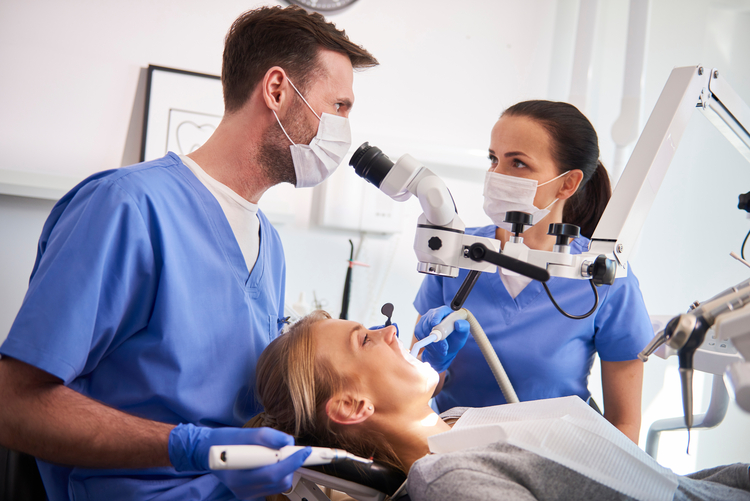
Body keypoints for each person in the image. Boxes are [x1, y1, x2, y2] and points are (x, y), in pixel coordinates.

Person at [0, 6, 377, 500]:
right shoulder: (127, 208)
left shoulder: (270, 244)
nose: (344, 130)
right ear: (278, 90)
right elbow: (13, 404)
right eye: (340, 107)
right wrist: (191, 448)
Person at [253, 311, 750, 501]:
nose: (391, 330)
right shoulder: (447, 480)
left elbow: (668, 487)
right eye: (366, 339)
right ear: (352, 405)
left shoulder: (457, 425)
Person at [411, 100, 653, 443]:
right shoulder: (455, 255)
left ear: (567, 184)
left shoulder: (602, 278)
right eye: (494, 159)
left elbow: (625, 425)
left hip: (554, 463)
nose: (496, 176)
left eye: (518, 163)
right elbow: (410, 396)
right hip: (450, 450)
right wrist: (428, 366)